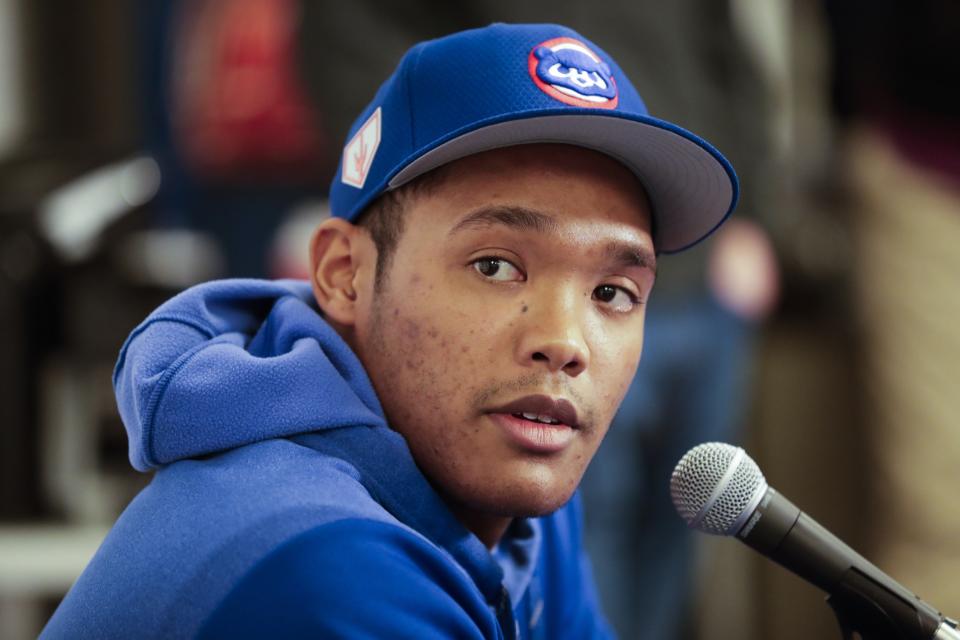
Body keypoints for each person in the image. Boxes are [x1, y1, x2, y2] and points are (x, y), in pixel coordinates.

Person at [42, 23, 737, 639]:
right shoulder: (321, 558)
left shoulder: (520, 491)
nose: (565, 341)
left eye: (612, 292)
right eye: (496, 266)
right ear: (344, 275)